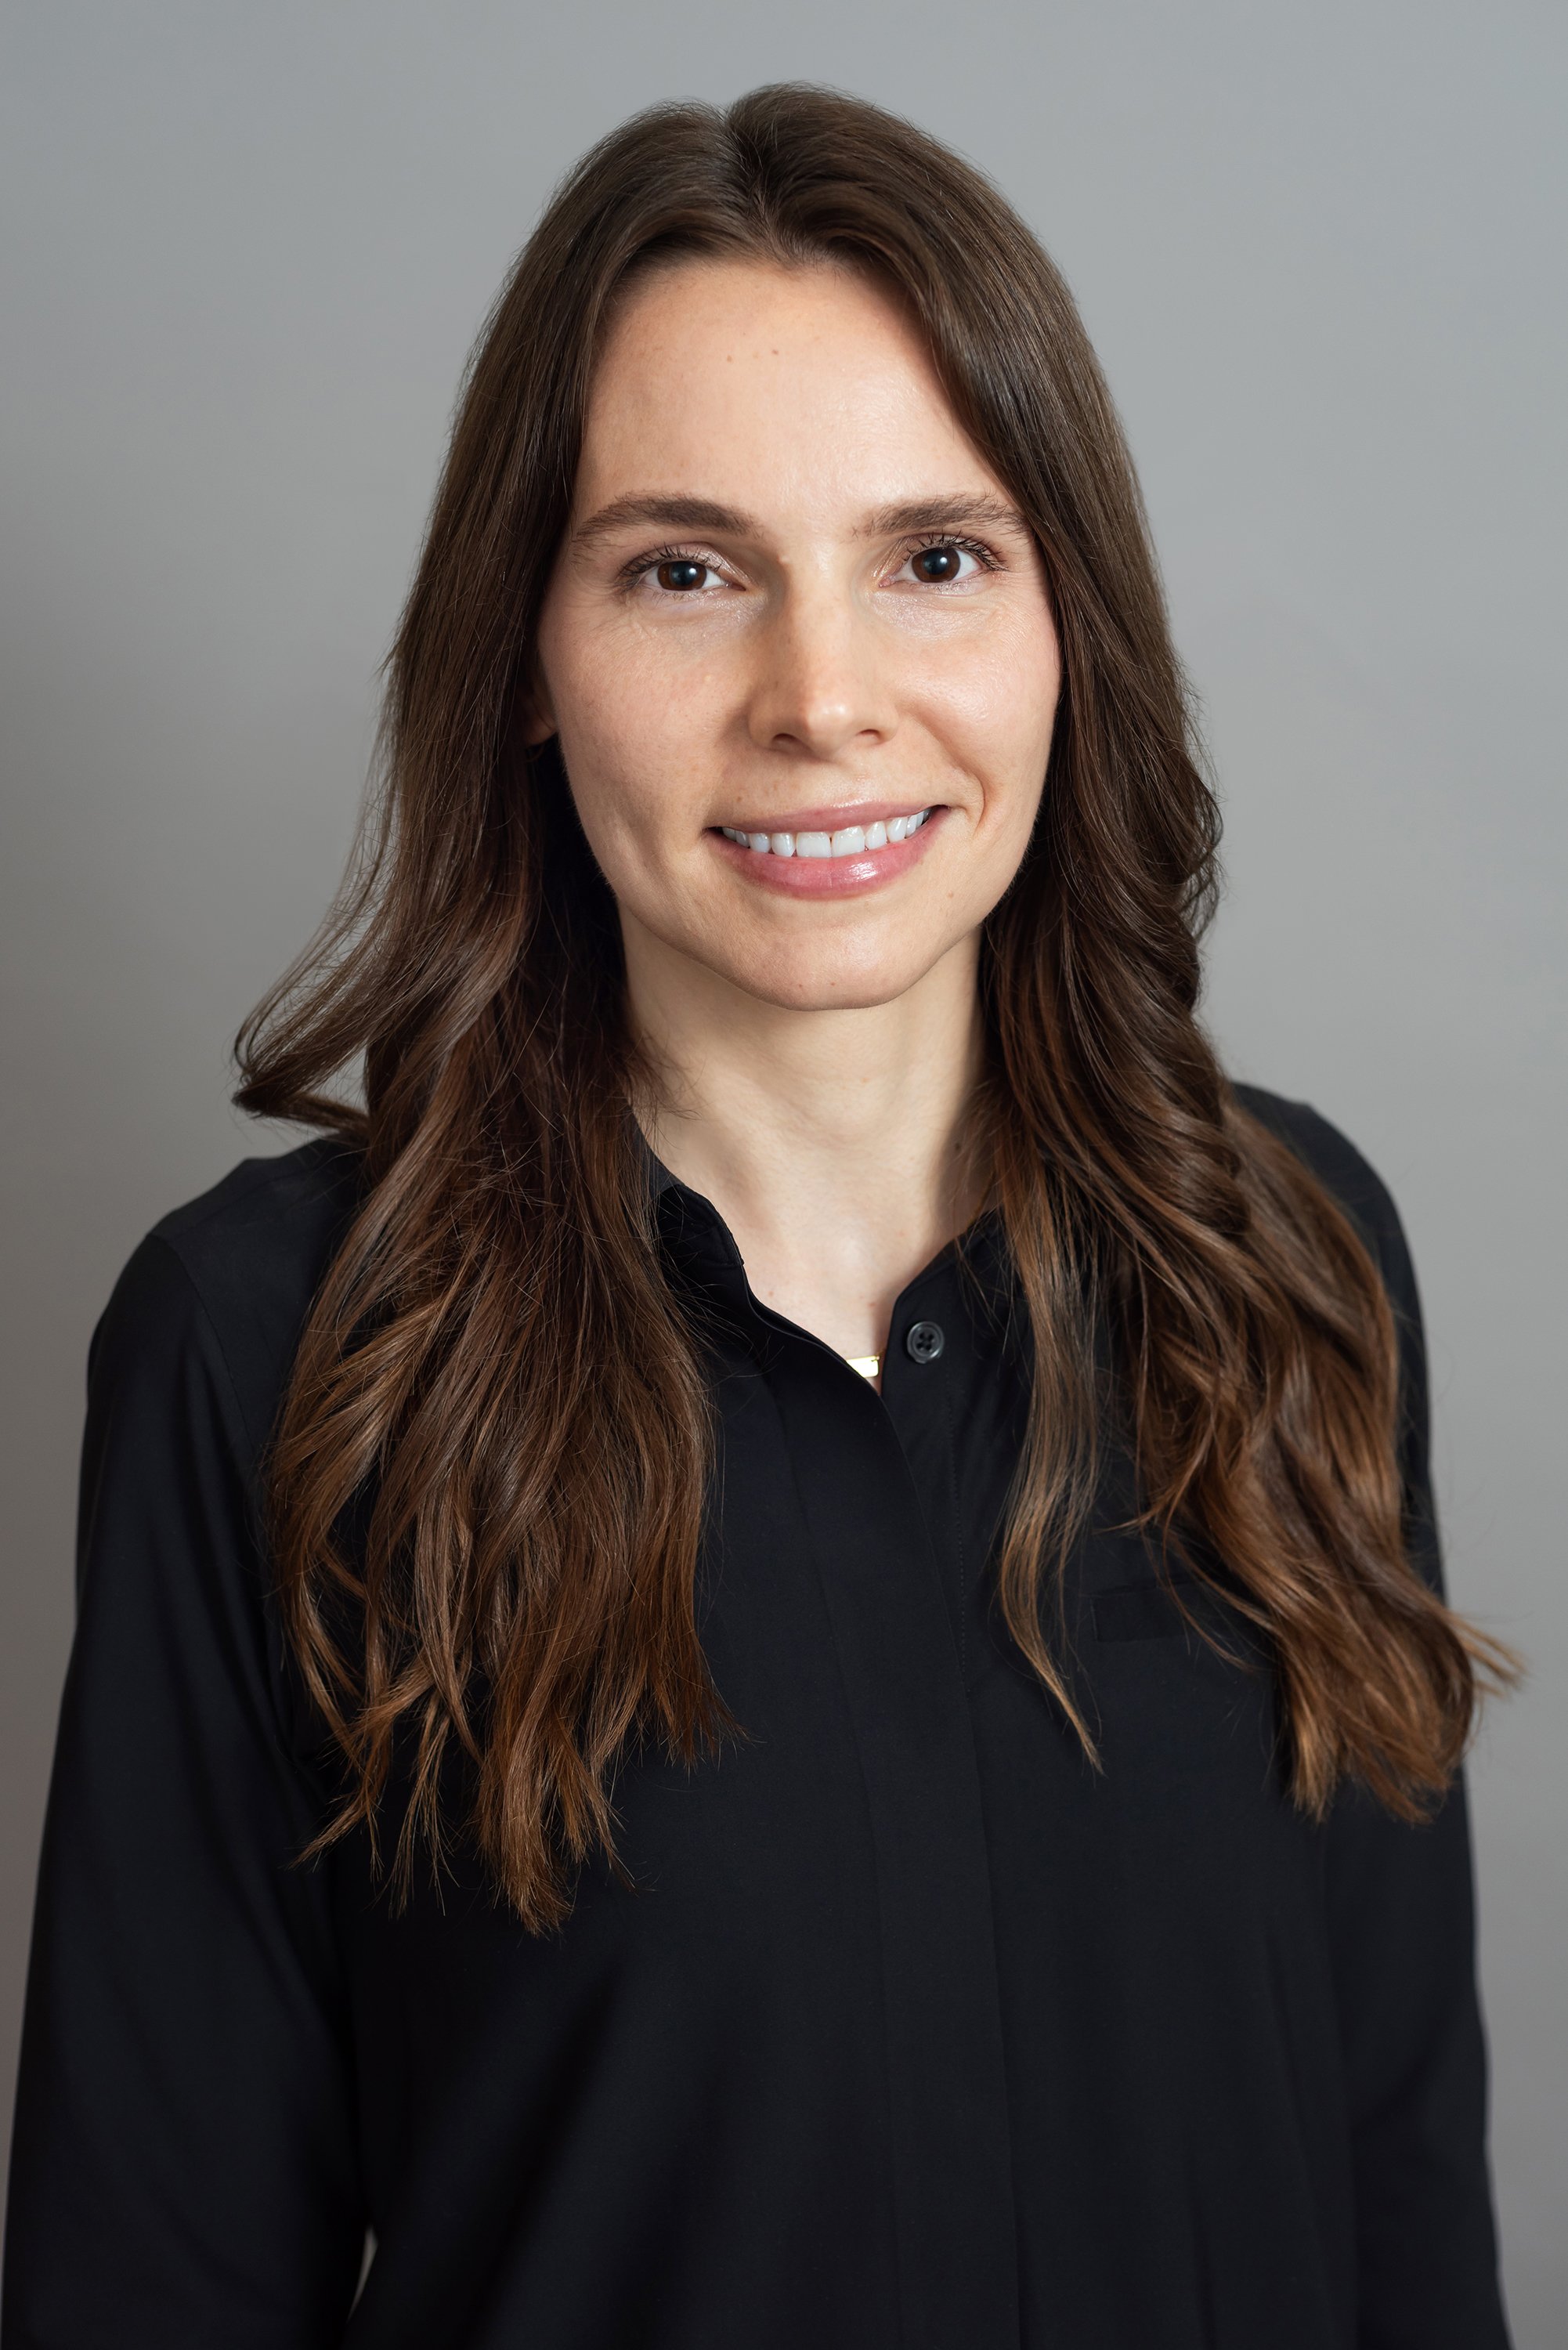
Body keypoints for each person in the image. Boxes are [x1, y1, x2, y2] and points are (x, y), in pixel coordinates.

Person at [2, 83, 1516, 2350]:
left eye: (934, 558)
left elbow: (1401, 2198)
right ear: (522, 656)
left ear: (1063, 625)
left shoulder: (1291, 1258)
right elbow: (155, 2277)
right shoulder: (277, 1346)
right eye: (683, 571)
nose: (821, 702)